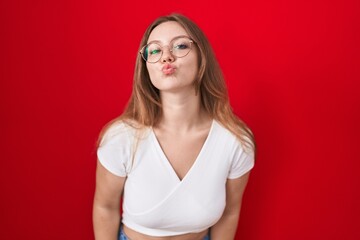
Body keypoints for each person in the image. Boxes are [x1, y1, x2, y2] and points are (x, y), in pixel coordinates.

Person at [93, 13, 255, 240]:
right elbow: (105, 207)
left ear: (202, 58)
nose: (166, 57)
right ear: (146, 67)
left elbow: (230, 212)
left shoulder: (235, 141)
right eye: (155, 50)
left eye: (180, 46)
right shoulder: (121, 138)